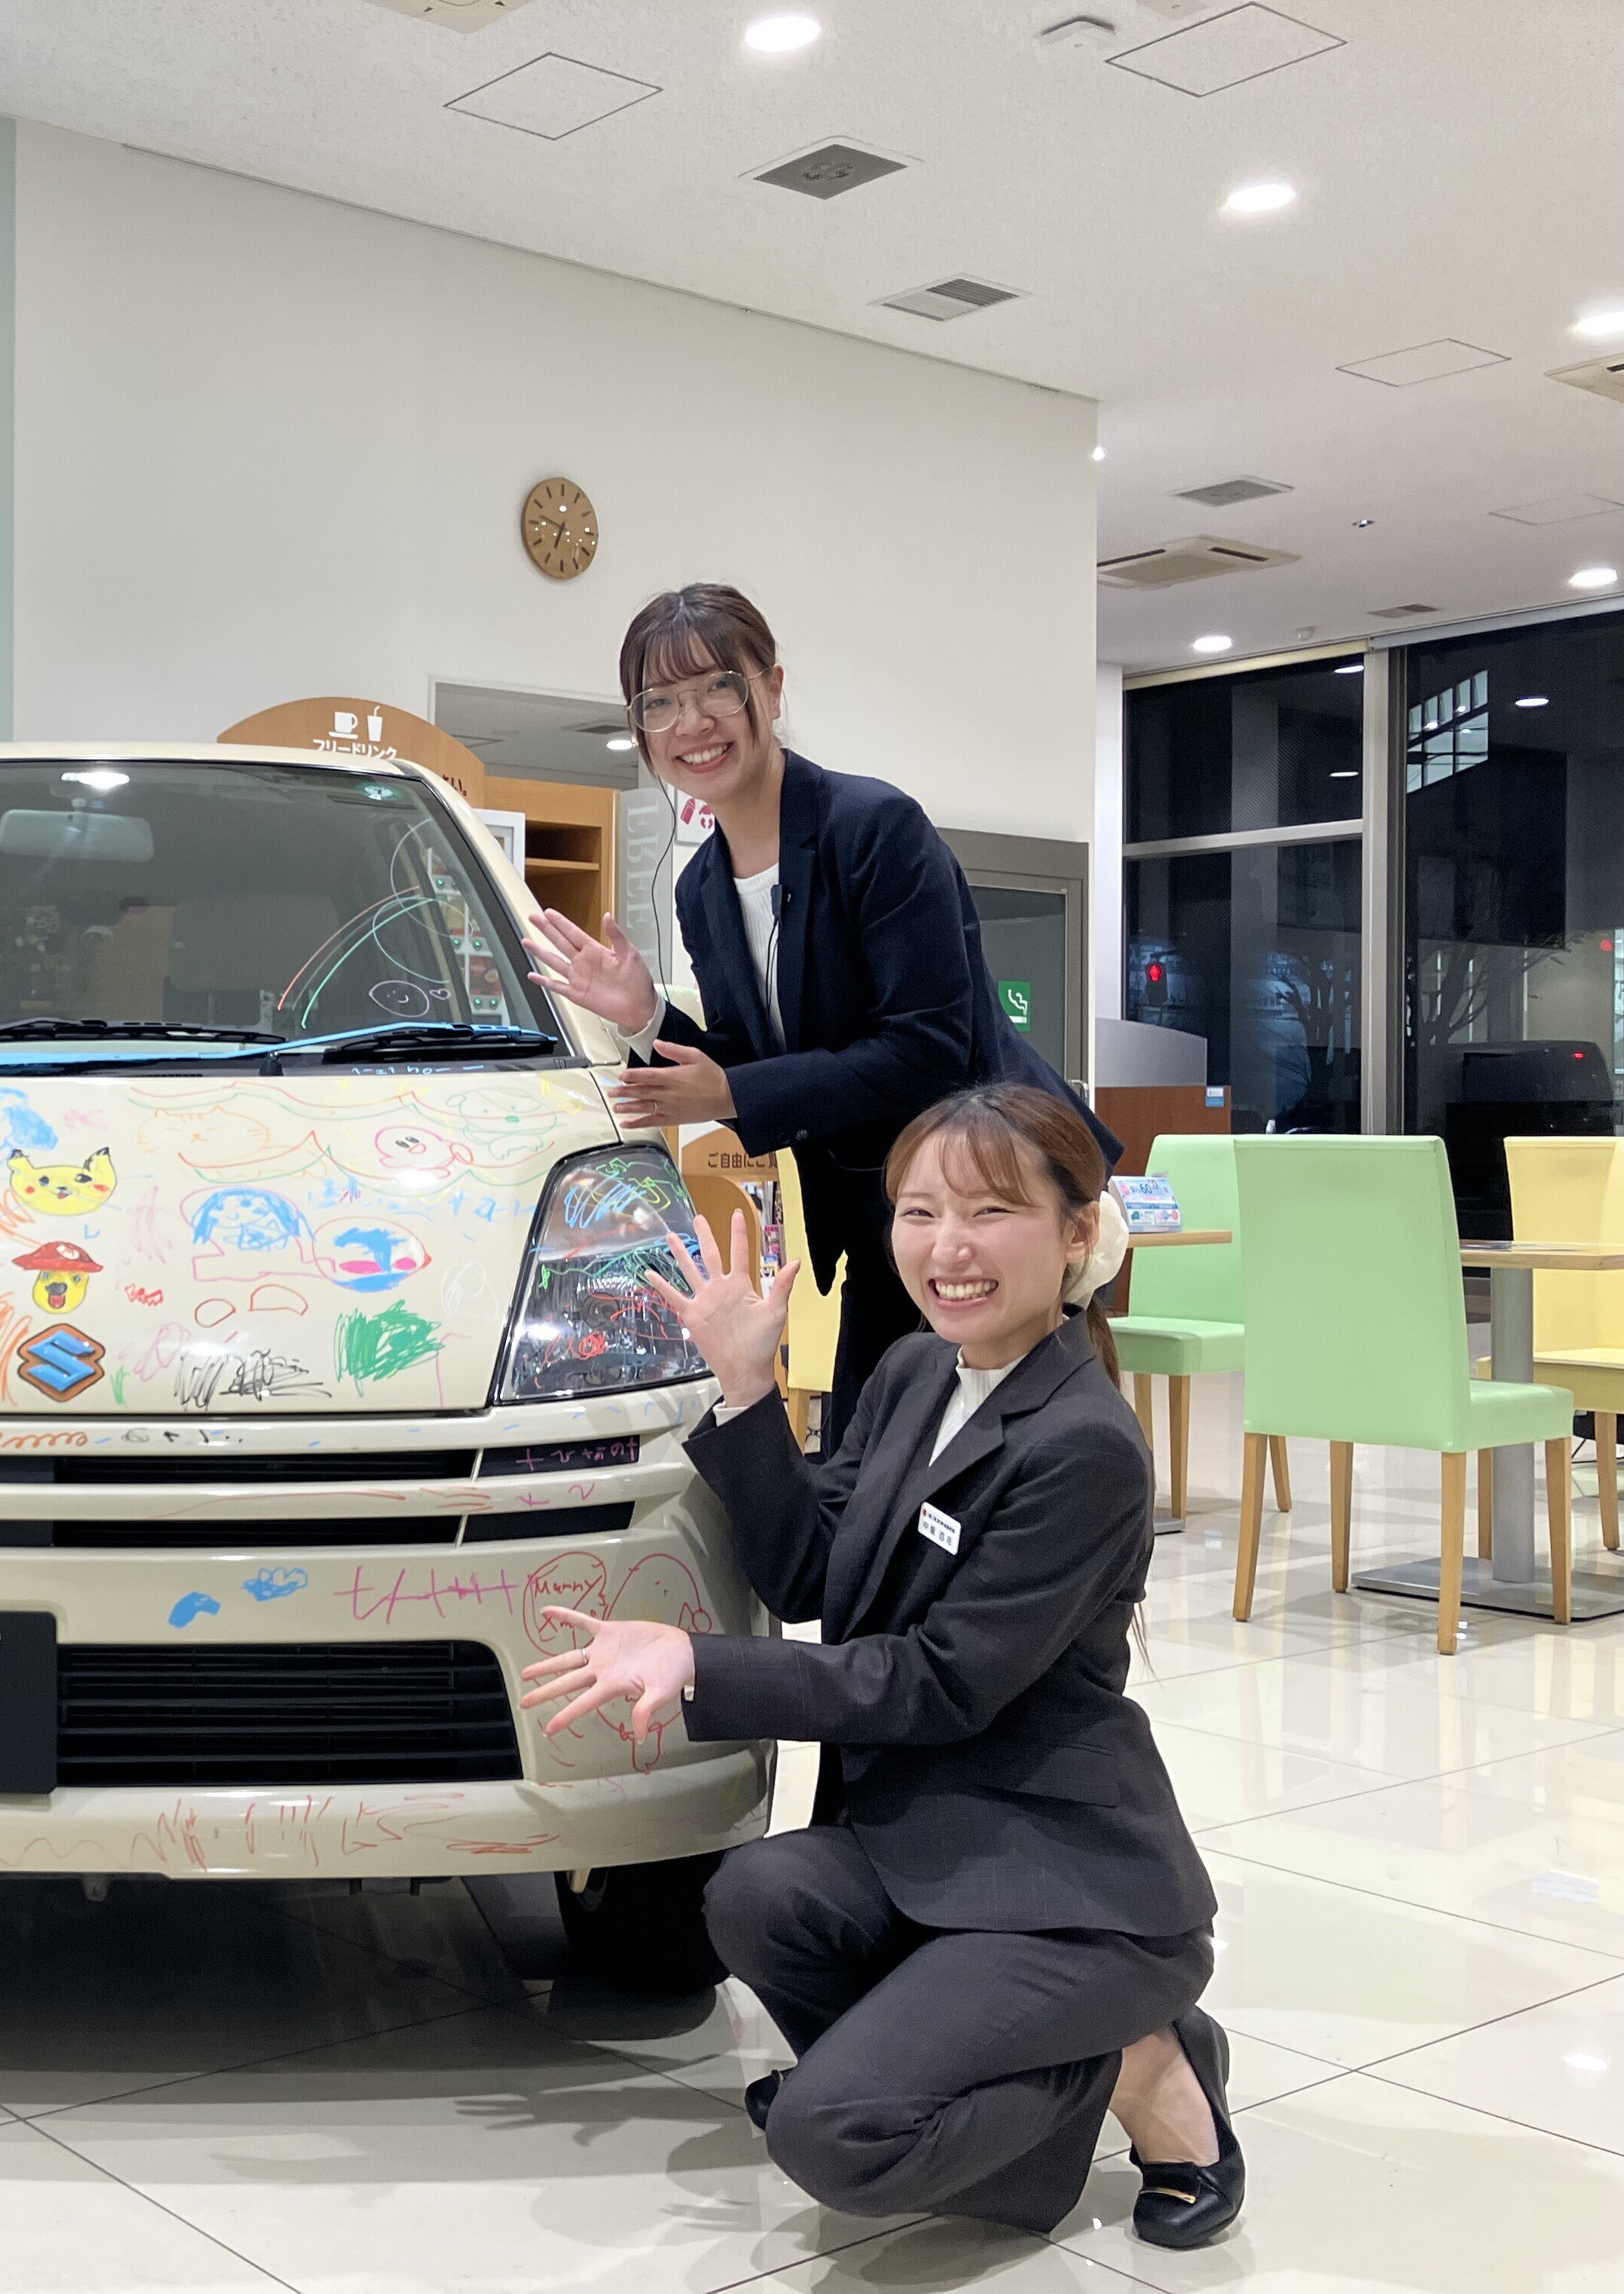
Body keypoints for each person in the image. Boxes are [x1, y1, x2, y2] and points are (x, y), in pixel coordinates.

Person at [520, 1083, 1239, 2249]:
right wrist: (748, 1389)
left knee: (837, 2138)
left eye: (991, 1212)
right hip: (923, 1834)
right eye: (918, 1211)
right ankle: (1029, 2066)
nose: (948, 1247)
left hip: (1059, 1881)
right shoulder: (915, 1371)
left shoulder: (1084, 1444)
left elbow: (937, 1683)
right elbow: (814, 1572)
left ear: (1075, 1234)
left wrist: (699, 1660)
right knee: (754, 1899)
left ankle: (1134, 2059)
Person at [523, 583, 1120, 1449]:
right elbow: (753, 1071)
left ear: (770, 689)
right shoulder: (702, 888)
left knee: (1002, 1468)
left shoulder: (873, 829)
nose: (692, 722)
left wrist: (732, 1092)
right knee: (867, 1471)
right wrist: (648, 1015)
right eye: (661, 702)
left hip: (983, 1201)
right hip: (868, 1222)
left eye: (717, 687)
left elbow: (928, 1049)